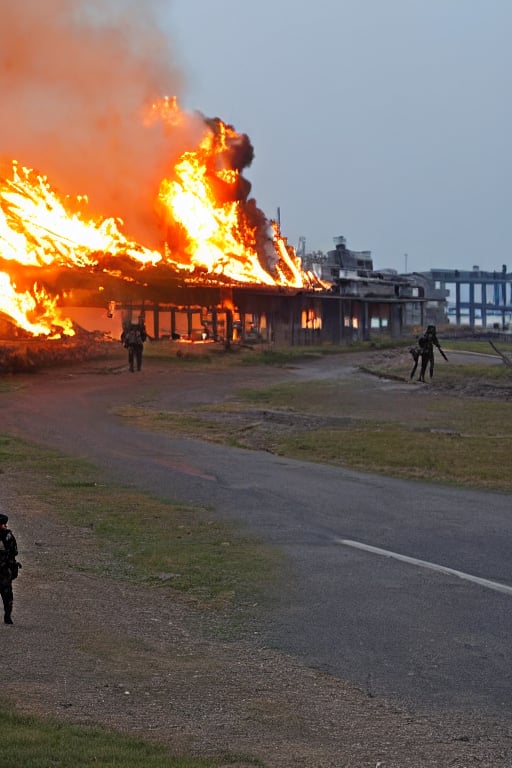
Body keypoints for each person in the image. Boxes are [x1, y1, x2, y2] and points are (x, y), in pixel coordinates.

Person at [0, 513, 20, 625]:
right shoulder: (7, 536)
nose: (5, 526)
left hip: (4, 572)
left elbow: (14, 552)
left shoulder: (7, 536)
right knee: (7, 594)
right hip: (4, 572)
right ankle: (7, 616)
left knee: (7, 595)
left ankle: (7, 616)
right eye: (3, 524)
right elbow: (14, 552)